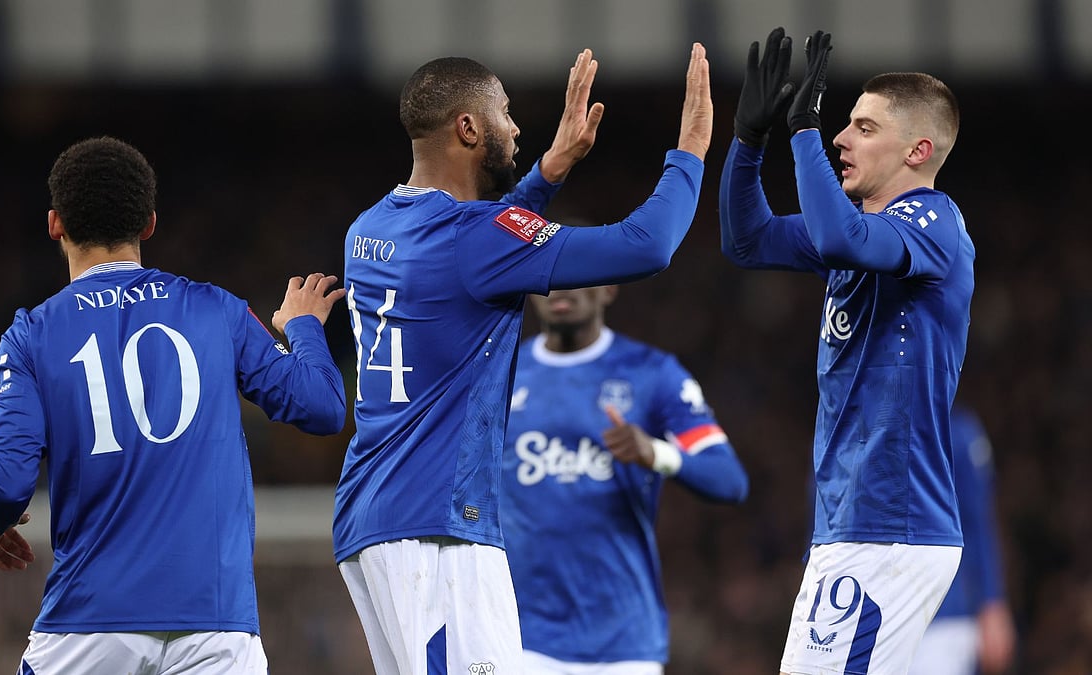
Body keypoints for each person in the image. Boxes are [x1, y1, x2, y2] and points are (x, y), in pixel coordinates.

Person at [336, 44, 714, 675]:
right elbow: (646, 246)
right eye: (505, 113)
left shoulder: (371, 228)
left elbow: (483, 248)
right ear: (468, 128)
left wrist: (550, 171)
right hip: (438, 528)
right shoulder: (474, 239)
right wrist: (693, 150)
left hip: (371, 518)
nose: (515, 129)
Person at [0, 136, 348, 675]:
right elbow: (323, 406)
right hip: (218, 628)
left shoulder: (31, 335)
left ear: (55, 224)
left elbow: (7, 481)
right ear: (149, 224)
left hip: (91, 624)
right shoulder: (216, 310)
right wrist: (304, 326)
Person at [719, 28, 975, 675]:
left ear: (917, 150)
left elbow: (837, 236)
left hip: (889, 524)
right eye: (842, 124)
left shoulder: (934, 223)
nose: (840, 137)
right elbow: (746, 239)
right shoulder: (862, 232)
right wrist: (749, 141)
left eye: (864, 127)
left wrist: (803, 129)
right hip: (855, 523)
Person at [500, 283, 749, 674]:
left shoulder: (652, 373)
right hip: (519, 636)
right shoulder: (502, 375)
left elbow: (729, 480)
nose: (561, 287)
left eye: (578, 273)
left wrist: (655, 453)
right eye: (550, 275)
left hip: (622, 643)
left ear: (609, 288)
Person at [909, 404, 1016, 675]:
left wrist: (992, 600)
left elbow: (978, 521)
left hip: (943, 616)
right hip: (873, 612)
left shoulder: (956, 430)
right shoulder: (850, 425)